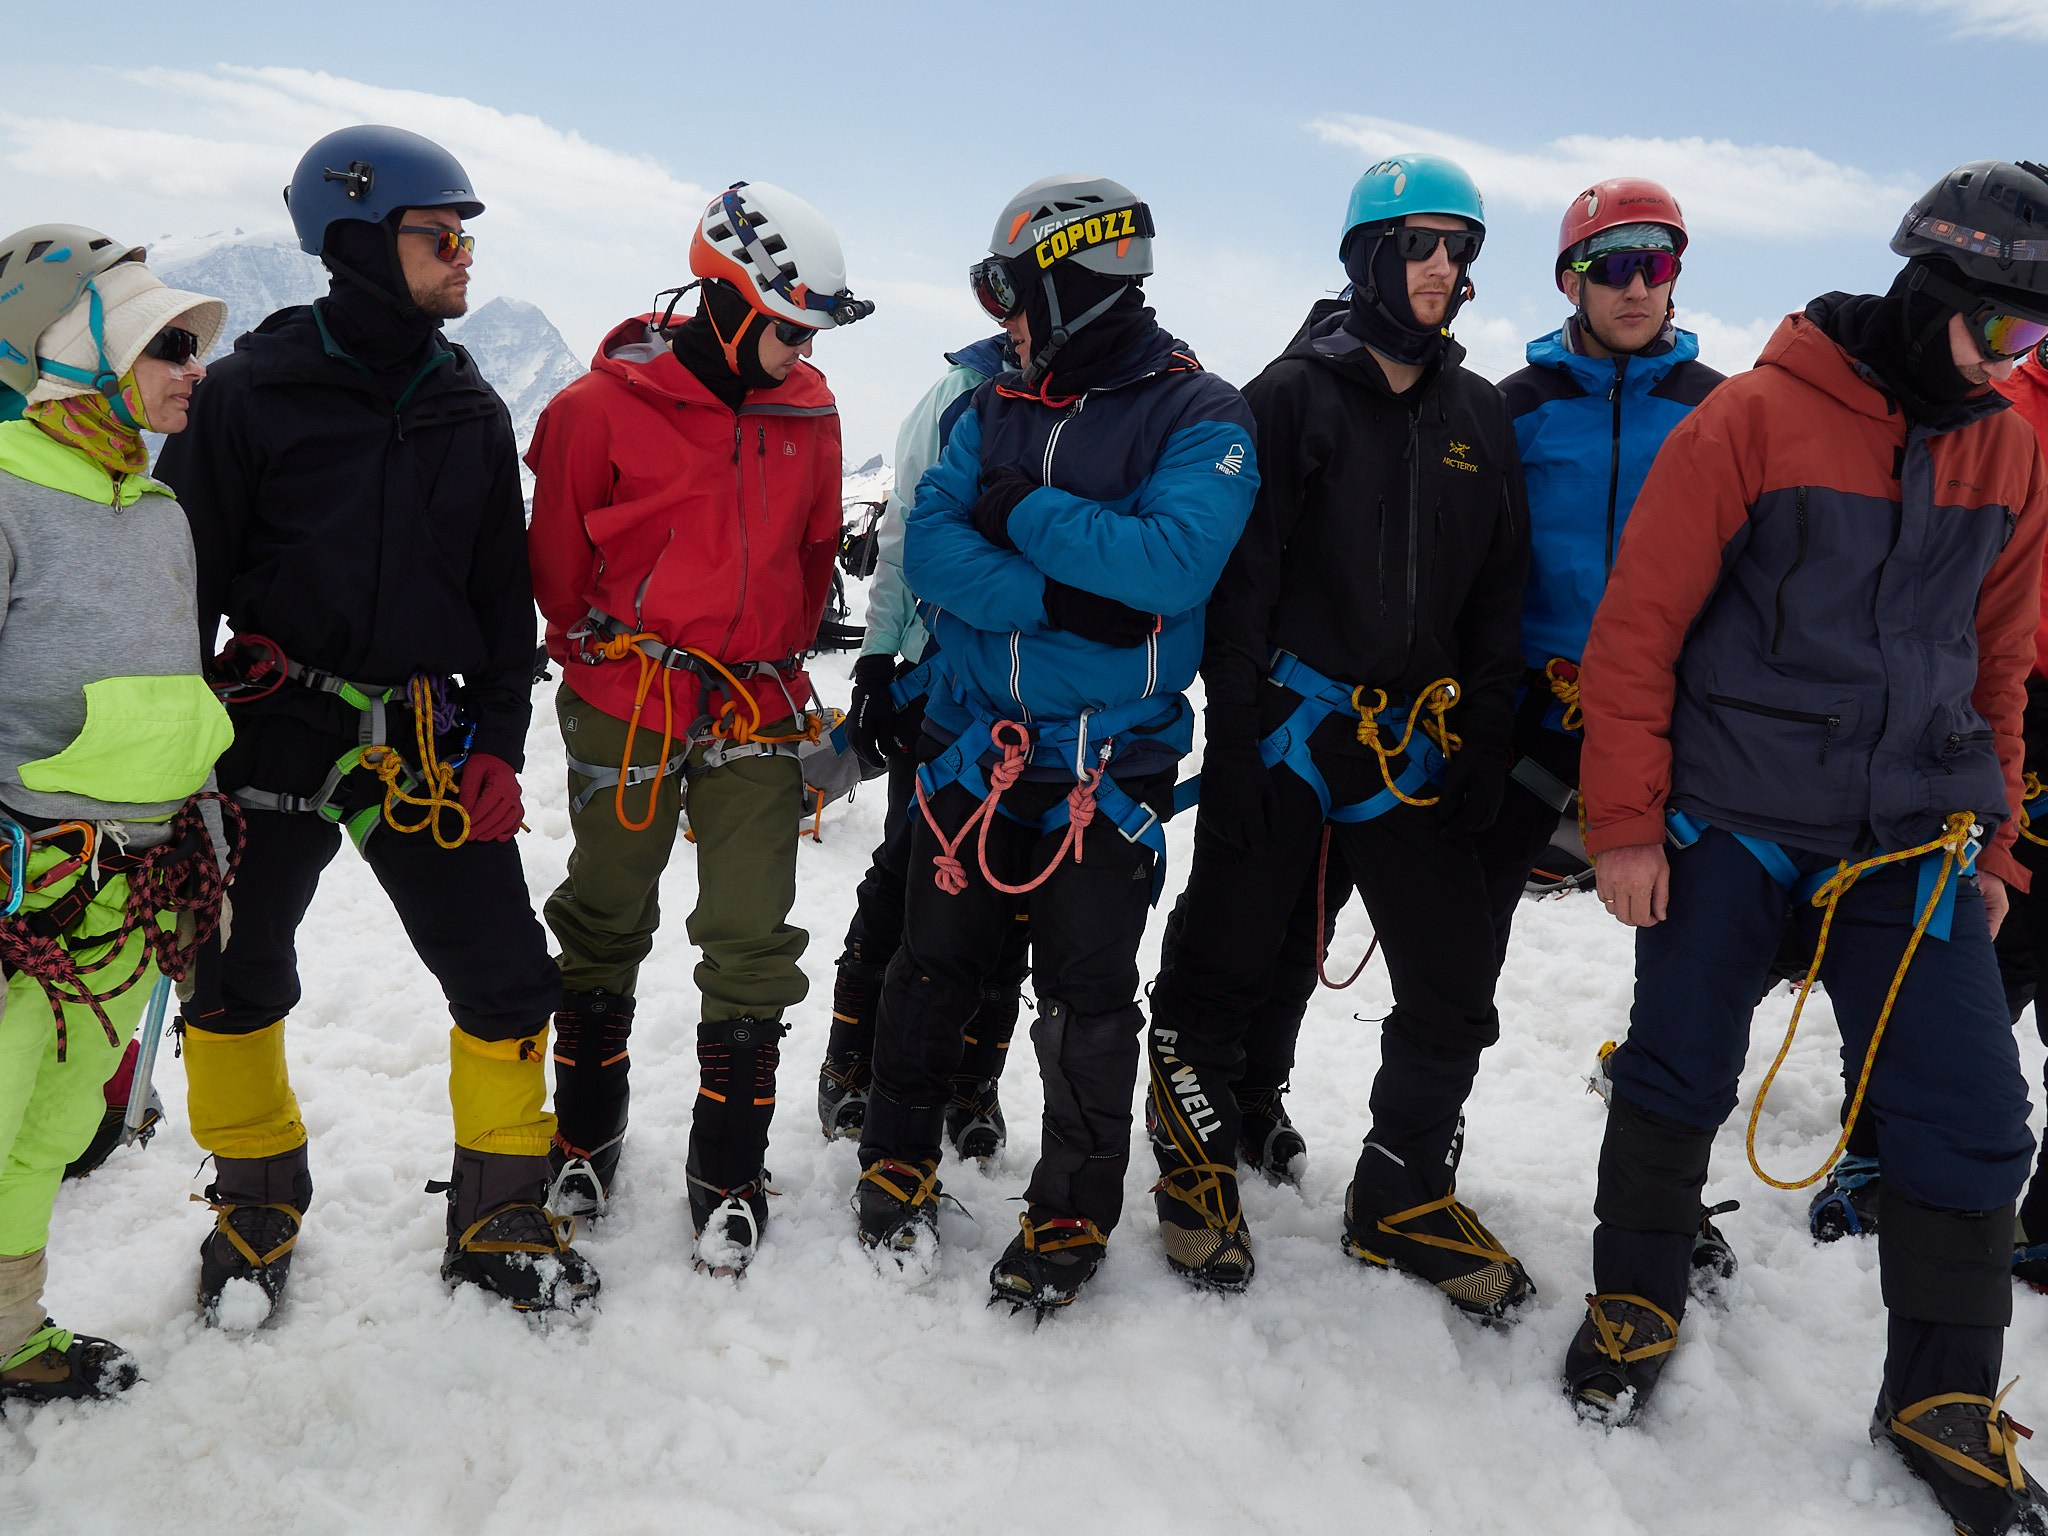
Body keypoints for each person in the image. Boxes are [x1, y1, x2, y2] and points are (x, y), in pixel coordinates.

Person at [1569, 160, 2048, 1536]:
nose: (2021, 362)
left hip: (1915, 834)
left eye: (2042, 341)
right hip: (1737, 816)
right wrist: (1622, 826)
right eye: (2007, 331)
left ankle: (1941, 1396)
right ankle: (1637, 1299)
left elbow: (1997, 664)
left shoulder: (2004, 448)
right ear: (1932, 296)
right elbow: (1639, 629)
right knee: (1676, 1066)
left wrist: (2000, 847)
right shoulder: (1754, 419)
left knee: (1973, 1113)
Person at [158, 125, 597, 1324]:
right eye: (441, 235)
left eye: (467, 237)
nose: (464, 259)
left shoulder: (468, 405)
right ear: (358, 242)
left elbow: (503, 601)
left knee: (505, 976)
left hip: (423, 737)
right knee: (231, 974)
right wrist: (174, 760)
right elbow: (183, 592)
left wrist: (501, 738)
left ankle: (499, 1208)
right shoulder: (246, 395)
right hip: (272, 724)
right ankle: (256, 1195)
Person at [854, 173, 1259, 1313]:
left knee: (1085, 1000)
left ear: (1065, 281)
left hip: (1102, 769)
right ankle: (897, 1149)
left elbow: (1172, 569)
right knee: (931, 965)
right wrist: (1071, 596)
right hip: (971, 746)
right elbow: (932, 549)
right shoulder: (996, 404)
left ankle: (1071, 1209)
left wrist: (1018, 524)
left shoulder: (1201, 415)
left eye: (1007, 291)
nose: (1002, 318)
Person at [1144, 155, 1533, 1313]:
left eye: (1457, 248)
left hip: (1412, 743)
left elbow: (1498, 590)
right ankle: (1193, 1168)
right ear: (1367, 256)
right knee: (1224, 956)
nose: (1443, 268)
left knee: (1455, 979)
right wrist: (1238, 735)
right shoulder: (1289, 395)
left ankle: (1401, 1190)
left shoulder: (1476, 414)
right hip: (1286, 731)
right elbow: (1238, 583)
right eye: (1419, 244)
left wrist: (1487, 731)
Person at [526, 180, 868, 1277]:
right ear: (723, 302)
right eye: (785, 325)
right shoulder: (594, 410)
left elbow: (816, 555)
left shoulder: (808, 411)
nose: (800, 349)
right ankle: (584, 1133)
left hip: (756, 707)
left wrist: (764, 651)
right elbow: (558, 574)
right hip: (627, 702)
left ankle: (727, 1164)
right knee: (605, 912)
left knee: (751, 934)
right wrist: (619, 662)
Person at [0, 225, 235, 1400]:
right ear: (79, 357)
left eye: (194, 344)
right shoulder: (2, 491)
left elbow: (172, 686)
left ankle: (6, 1331)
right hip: (21, 889)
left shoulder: (156, 511)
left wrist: (198, 816)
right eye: (169, 343)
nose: (195, 365)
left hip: (127, 886)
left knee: (49, 1129)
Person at [819, 333, 1030, 1160]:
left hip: (1039, 693)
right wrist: (879, 658)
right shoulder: (962, 395)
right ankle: (857, 1061)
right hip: (938, 683)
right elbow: (910, 528)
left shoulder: (1098, 400)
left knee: (1012, 888)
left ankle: (972, 1077)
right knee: (914, 872)